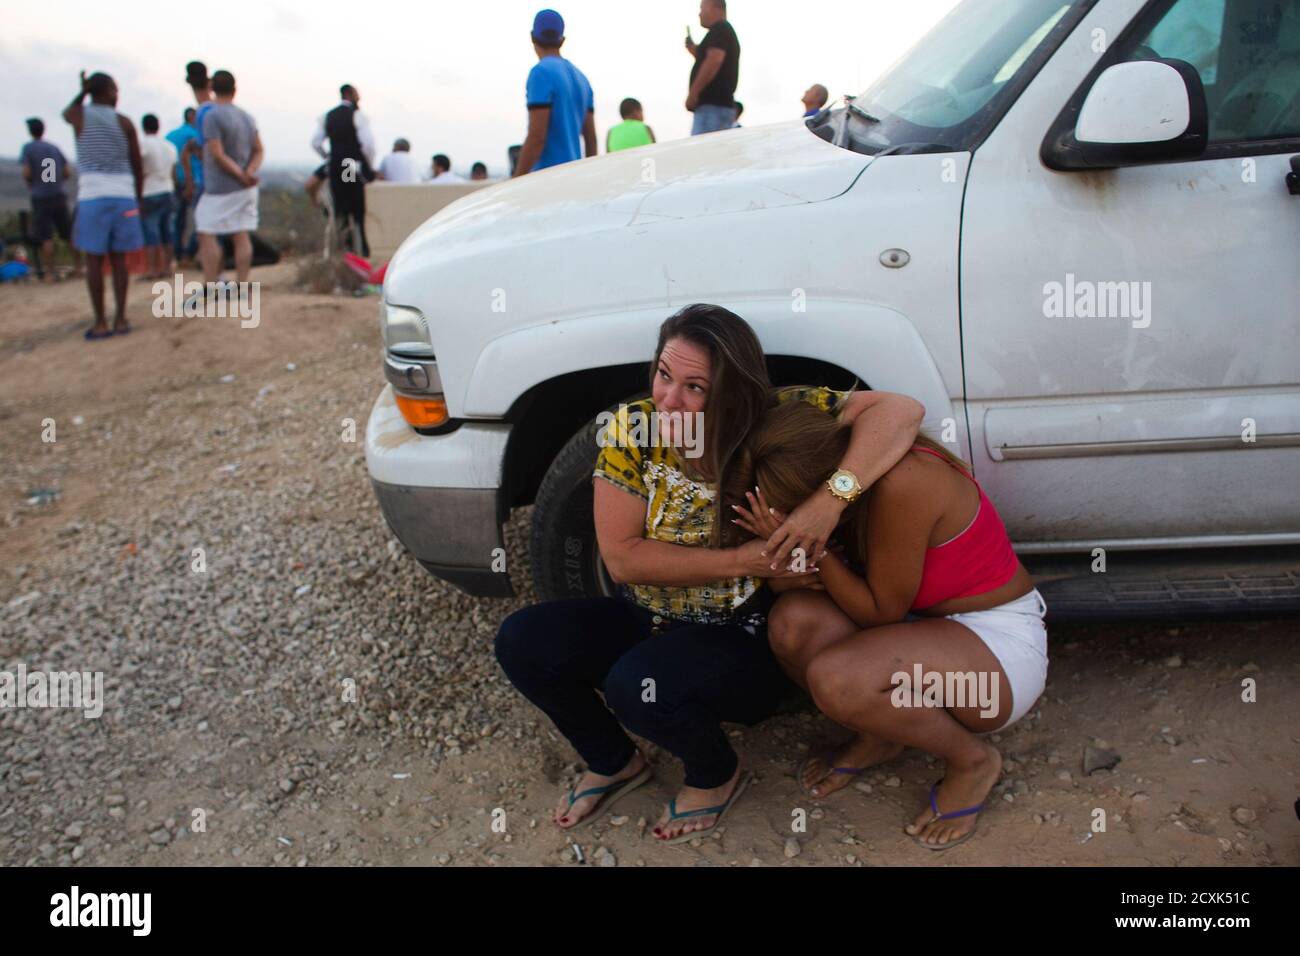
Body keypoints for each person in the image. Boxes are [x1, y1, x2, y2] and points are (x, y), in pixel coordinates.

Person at [494, 303, 926, 843]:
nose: (669, 399)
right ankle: (614, 761)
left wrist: (829, 502)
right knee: (522, 641)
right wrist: (744, 560)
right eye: (664, 375)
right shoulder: (634, 429)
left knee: (638, 688)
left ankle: (714, 774)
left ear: (733, 394)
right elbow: (623, 559)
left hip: (742, 632)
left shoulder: (772, 415)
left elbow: (901, 411)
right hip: (648, 614)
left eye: (695, 387)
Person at [731, 400, 1047, 850]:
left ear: (820, 494)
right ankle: (879, 737)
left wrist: (817, 549)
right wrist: (791, 553)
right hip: (921, 629)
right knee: (793, 622)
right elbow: (793, 589)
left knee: (838, 679)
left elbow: (880, 613)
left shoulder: (904, 482)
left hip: (997, 652)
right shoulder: (852, 481)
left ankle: (972, 761)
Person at [62, 71, 143, 339]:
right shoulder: (124, 122)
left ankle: (100, 322)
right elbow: (136, 164)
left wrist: (83, 92)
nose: (117, 94)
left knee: (94, 260)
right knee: (119, 260)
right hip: (123, 194)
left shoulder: (80, 116)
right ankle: (121, 318)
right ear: (107, 91)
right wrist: (138, 198)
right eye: (114, 89)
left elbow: (66, 112)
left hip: (92, 195)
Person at [194, 70, 262, 298]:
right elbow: (259, 149)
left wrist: (240, 174)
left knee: (206, 232)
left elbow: (217, 153)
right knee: (241, 233)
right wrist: (249, 172)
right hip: (246, 187)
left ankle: (211, 285)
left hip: (220, 187)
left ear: (213, 88)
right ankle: (242, 285)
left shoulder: (212, 116)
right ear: (235, 89)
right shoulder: (247, 117)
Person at [514, 9, 596, 176]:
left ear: (532, 37)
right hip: (573, 176)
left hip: (548, 178)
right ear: (562, 40)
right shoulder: (581, 78)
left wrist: (515, 180)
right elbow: (591, 139)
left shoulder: (540, 73)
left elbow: (537, 137)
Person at [311, 84, 376, 255]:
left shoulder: (327, 116)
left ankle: (345, 248)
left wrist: (328, 157)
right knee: (356, 209)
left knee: (340, 209)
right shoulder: (356, 115)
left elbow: (316, 143)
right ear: (349, 94)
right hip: (350, 165)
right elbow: (368, 145)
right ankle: (359, 249)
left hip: (336, 165)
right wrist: (366, 165)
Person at [19, 117, 82, 282]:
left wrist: (32, 183)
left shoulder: (29, 148)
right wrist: (57, 182)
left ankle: (49, 272)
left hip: (41, 196)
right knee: (68, 233)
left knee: (46, 235)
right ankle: (78, 268)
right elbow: (67, 172)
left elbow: (26, 172)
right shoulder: (54, 148)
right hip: (58, 194)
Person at [684, 0, 740, 134]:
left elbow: (714, 61)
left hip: (712, 107)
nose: (699, 14)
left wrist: (693, 94)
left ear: (717, 8)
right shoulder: (722, 31)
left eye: (702, 8)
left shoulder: (720, 28)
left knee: (703, 147)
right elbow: (711, 59)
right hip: (716, 108)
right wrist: (695, 51)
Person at [137, 114, 175, 279]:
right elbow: (173, 170)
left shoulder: (143, 144)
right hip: (167, 188)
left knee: (151, 231)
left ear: (143, 127)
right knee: (167, 230)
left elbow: (139, 167)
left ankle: (152, 269)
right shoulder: (169, 146)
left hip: (149, 190)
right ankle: (167, 267)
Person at [166, 107, 202, 264]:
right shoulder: (195, 136)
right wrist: (190, 183)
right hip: (194, 182)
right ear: (192, 117)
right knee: (200, 220)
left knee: (177, 220)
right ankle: (189, 253)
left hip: (174, 182)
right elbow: (187, 158)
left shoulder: (170, 135)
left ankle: (177, 254)